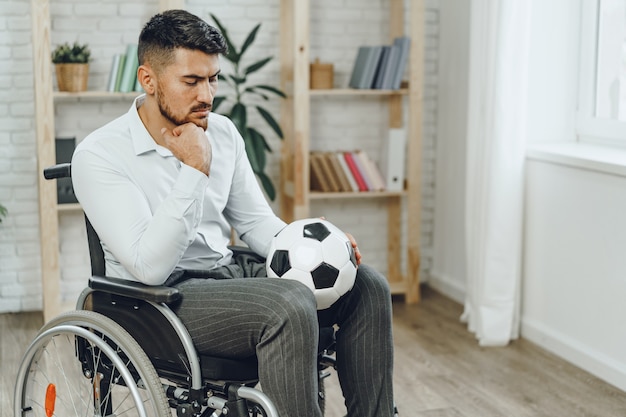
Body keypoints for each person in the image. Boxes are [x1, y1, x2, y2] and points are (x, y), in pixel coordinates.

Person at [72, 9, 395, 417]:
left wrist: (315, 246)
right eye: (191, 81)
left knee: (366, 285)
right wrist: (195, 168)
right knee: (288, 302)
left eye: (212, 79)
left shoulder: (223, 131)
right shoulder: (99, 154)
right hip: (159, 300)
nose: (207, 95)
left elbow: (257, 224)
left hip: (228, 277)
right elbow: (149, 267)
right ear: (148, 79)